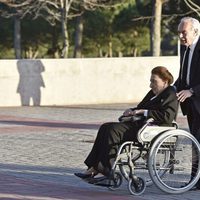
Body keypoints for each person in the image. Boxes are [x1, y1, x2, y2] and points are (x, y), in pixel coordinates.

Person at [75, 66, 178, 186]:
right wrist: (132, 110)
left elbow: (167, 116)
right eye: (150, 81)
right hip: (140, 125)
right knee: (105, 127)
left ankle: (107, 171)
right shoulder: (152, 93)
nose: (151, 85)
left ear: (165, 82)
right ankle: (94, 167)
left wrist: (143, 112)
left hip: (153, 129)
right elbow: (140, 107)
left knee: (113, 130)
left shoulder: (170, 93)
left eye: (154, 81)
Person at [174, 17, 200, 190]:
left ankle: (195, 180)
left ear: (195, 32)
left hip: (197, 98)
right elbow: (183, 76)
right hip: (191, 105)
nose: (181, 36)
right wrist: (171, 88)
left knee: (198, 142)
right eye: (179, 33)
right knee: (196, 142)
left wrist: (192, 91)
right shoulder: (184, 49)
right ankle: (196, 180)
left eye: (184, 32)